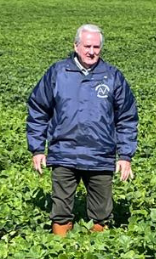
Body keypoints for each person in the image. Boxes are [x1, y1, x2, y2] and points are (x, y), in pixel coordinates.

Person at [26, 24, 139, 236]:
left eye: (96, 47)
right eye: (87, 46)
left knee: (101, 213)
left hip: (100, 155)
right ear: (76, 46)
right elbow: (38, 109)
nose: (91, 51)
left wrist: (125, 155)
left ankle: (97, 256)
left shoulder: (112, 76)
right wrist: (37, 149)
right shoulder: (58, 73)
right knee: (60, 211)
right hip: (64, 153)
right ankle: (58, 253)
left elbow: (127, 117)